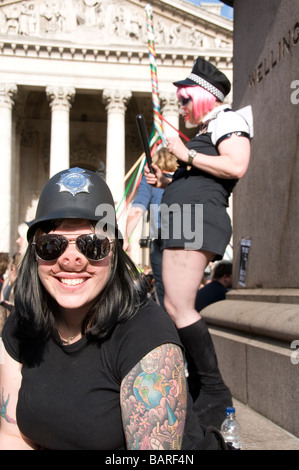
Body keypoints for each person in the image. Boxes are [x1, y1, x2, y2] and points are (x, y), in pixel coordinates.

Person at [0, 167, 228, 451]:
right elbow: (11, 437)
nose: (72, 259)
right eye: (52, 245)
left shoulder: (146, 334)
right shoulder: (22, 324)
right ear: (34, 253)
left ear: (114, 254)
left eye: (92, 245)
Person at [145, 57, 251, 427]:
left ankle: (215, 392)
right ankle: (199, 387)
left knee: (179, 306)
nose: (183, 108)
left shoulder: (228, 120)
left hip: (198, 218)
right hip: (186, 216)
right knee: (173, 306)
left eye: (186, 100)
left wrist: (185, 153)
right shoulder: (210, 128)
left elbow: (236, 165)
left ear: (205, 95)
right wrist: (166, 182)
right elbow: (201, 177)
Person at [123, 148, 178, 309]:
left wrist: (126, 237)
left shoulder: (151, 181)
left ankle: (169, 329)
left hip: (162, 239)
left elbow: (138, 209)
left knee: (164, 293)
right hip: (189, 240)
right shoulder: (186, 178)